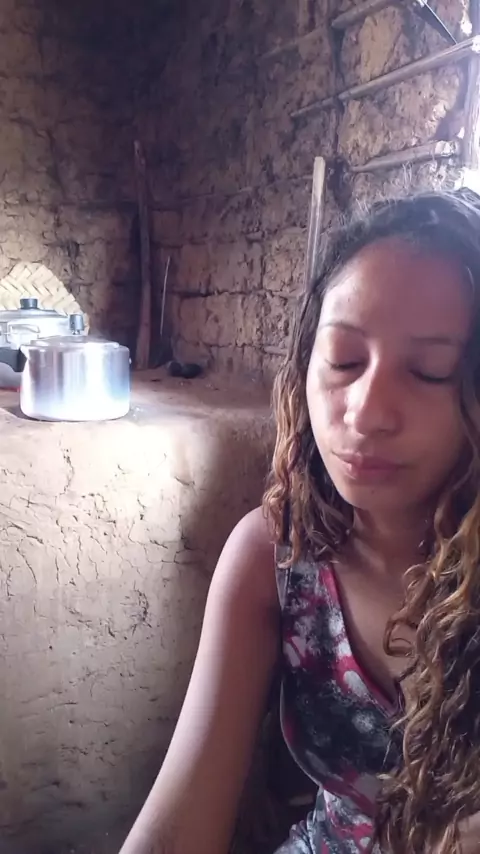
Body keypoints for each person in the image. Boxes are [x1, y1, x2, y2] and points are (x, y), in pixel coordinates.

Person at [119, 188, 480, 854]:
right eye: (343, 359)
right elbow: (177, 826)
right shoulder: (276, 557)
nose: (366, 411)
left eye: (430, 372)